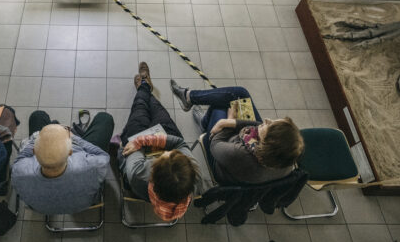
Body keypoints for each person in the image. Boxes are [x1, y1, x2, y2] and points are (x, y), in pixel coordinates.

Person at [171, 80, 304, 185]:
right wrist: (233, 122)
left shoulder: (239, 154)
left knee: (220, 105)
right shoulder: (286, 157)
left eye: (269, 125)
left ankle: (204, 122)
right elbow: (259, 126)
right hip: (242, 148)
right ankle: (189, 98)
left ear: (266, 144)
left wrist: (227, 122)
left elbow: (215, 144)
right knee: (239, 94)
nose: (267, 119)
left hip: (221, 157)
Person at [119, 62, 200, 222]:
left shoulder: (139, 175)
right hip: (162, 137)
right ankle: (146, 88)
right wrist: (156, 141)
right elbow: (179, 144)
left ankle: (144, 87)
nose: (167, 152)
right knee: (158, 110)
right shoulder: (193, 175)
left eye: (164, 156)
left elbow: (132, 149)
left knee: (140, 108)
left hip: (139, 147)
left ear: (153, 172)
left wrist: (141, 141)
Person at [11, 109, 114, 215]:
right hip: (82, 204)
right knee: (104, 118)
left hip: (43, 208)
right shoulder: (91, 166)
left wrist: (39, 137)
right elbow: (102, 155)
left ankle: (53, 126)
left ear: (34, 152)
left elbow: (21, 158)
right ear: (70, 152)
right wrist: (75, 139)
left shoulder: (19, 171)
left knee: (37, 116)